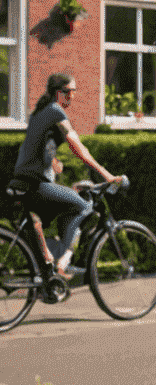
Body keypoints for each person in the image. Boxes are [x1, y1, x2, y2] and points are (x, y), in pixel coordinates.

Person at [12, 72, 123, 280]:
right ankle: (60, 264)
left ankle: (51, 268)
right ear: (58, 93)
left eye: (74, 92)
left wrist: (52, 162)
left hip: (25, 181)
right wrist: (107, 175)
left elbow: (35, 145)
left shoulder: (40, 112)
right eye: (70, 92)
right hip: (37, 184)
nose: (73, 96)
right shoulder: (55, 111)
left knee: (64, 211)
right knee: (83, 206)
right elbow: (78, 147)